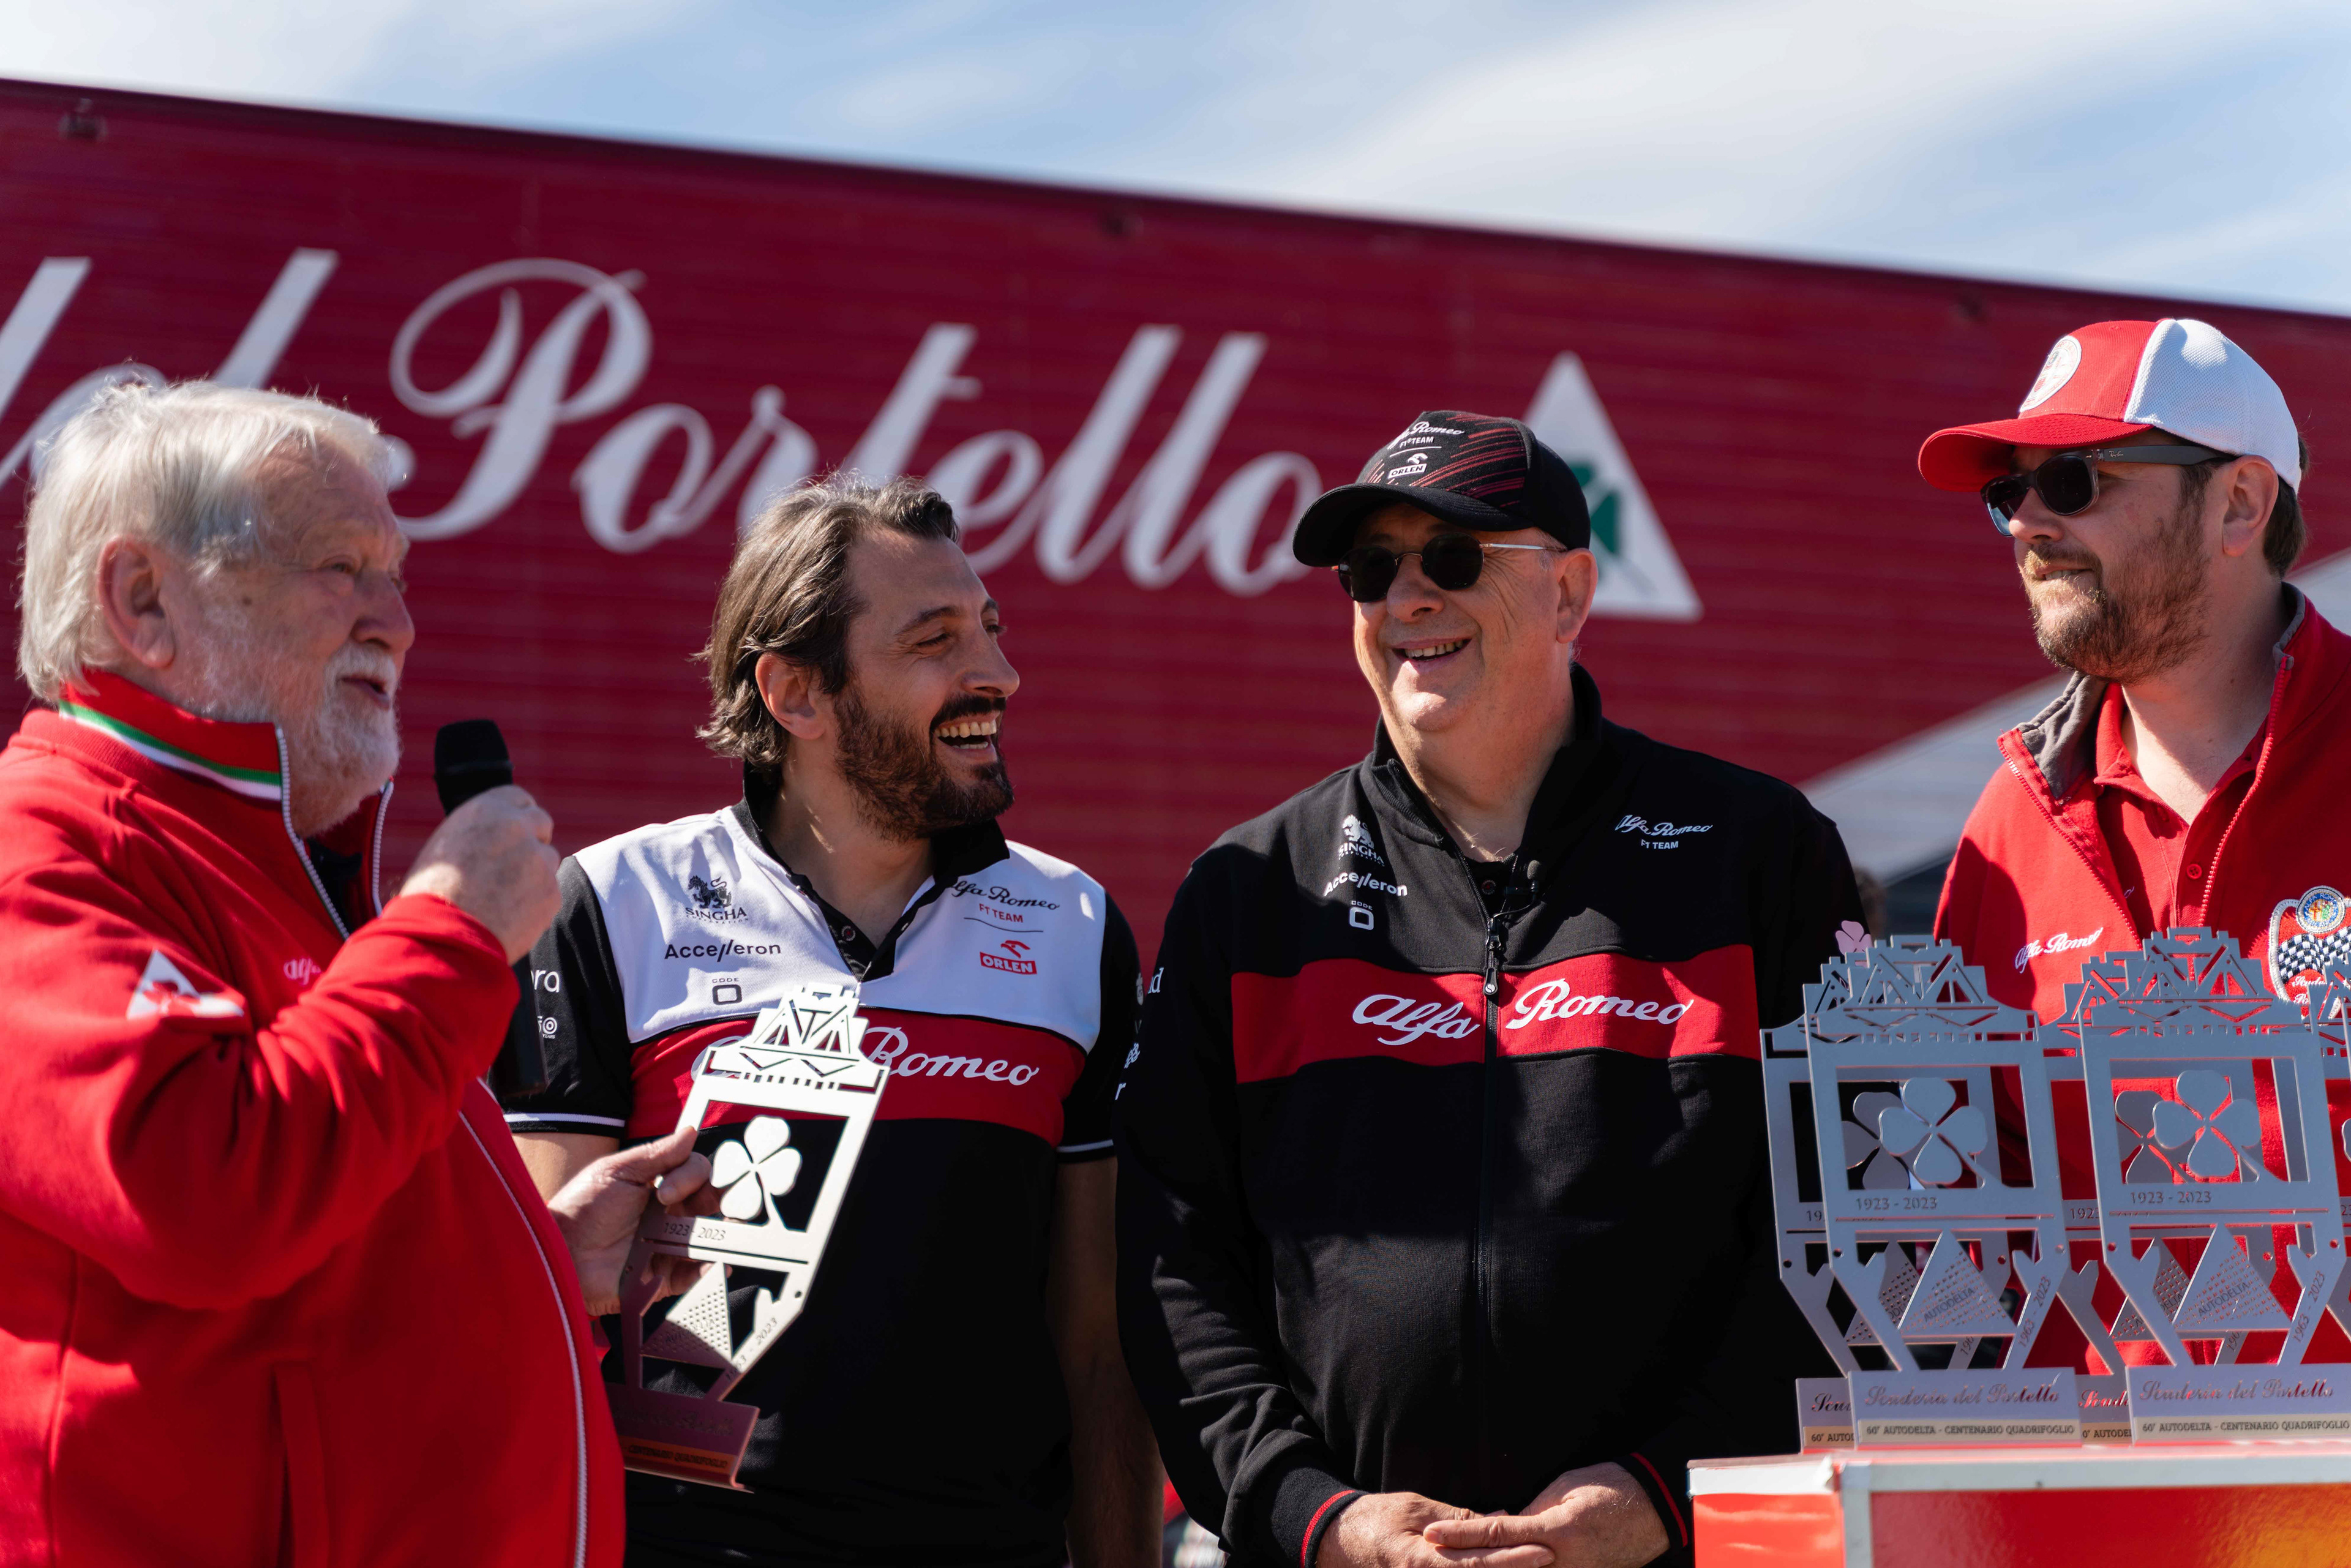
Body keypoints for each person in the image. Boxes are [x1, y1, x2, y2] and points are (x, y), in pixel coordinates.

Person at [1116, 412, 1859, 1568]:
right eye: (1373, 570)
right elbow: (1173, 1262)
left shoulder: (1755, 854)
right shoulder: (1250, 890)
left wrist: (1664, 1495)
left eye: (1454, 558)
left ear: (1569, 594)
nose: (1408, 598)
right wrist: (1316, 1514)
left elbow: (1849, 1228)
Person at [0, 381, 709, 1567]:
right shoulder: (43, 849)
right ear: (143, 599)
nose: (399, 622)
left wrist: (533, 1253)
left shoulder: (277, 868)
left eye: (398, 575)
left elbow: (302, 1251)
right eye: (341, 567)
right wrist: (451, 933)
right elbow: (208, 1200)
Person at [499, 476, 1160, 1568]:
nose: (997, 674)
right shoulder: (613, 903)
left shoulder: (1074, 922)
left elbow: (1099, 1342)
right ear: (796, 692)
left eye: (990, 628)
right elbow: (535, 1316)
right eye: (935, 640)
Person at [1922, 319, 2344, 1022]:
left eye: (2073, 480)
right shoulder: (2010, 821)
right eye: (2009, 493)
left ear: (2240, 503)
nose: (2026, 523)